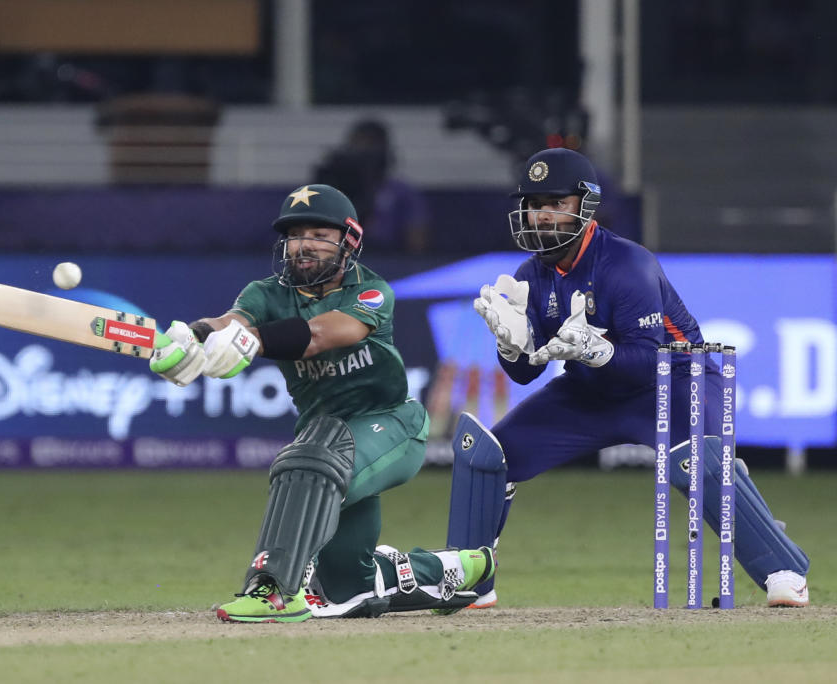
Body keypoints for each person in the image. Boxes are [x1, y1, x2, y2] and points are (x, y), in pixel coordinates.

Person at [449, 147, 810, 609]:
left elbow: (649, 359)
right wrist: (511, 346)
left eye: (557, 203)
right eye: (536, 204)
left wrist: (597, 349)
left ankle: (783, 568)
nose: (543, 215)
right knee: (487, 457)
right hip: (591, 393)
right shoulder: (530, 276)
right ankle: (469, 579)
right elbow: (525, 374)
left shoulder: (625, 264)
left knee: (696, 460)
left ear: (585, 206)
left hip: (677, 380)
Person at [149, 183, 495, 622]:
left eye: (319, 234)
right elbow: (228, 323)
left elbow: (321, 334)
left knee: (306, 463)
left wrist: (249, 341)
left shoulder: (370, 292)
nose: (304, 245)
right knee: (346, 587)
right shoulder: (265, 293)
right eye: (296, 235)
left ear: (347, 242)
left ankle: (274, 589)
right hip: (327, 434)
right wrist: (192, 338)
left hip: (391, 426)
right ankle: (456, 567)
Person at [314, 119, 430, 254]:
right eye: (358, 149)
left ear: (384, 151)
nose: (365, 156)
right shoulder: (332, 192)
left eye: (371, 148)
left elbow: (417, 245)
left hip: (390, 262)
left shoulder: (404, 192)